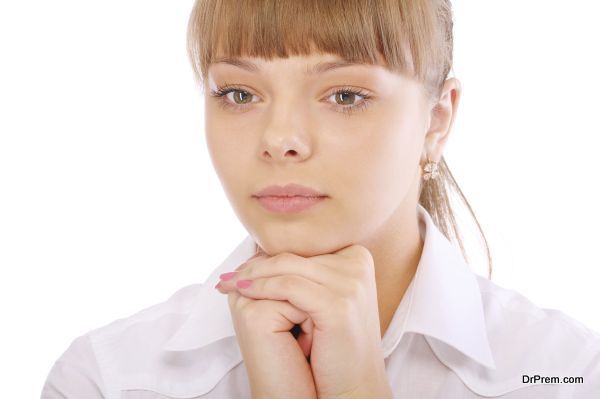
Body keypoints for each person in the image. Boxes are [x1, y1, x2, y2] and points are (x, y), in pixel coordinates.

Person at [41, 0, 600, 398]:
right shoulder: (107, 381)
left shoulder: (567, 373)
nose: (281, 139)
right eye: (239, 93)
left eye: (346, 95)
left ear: (437, 119)